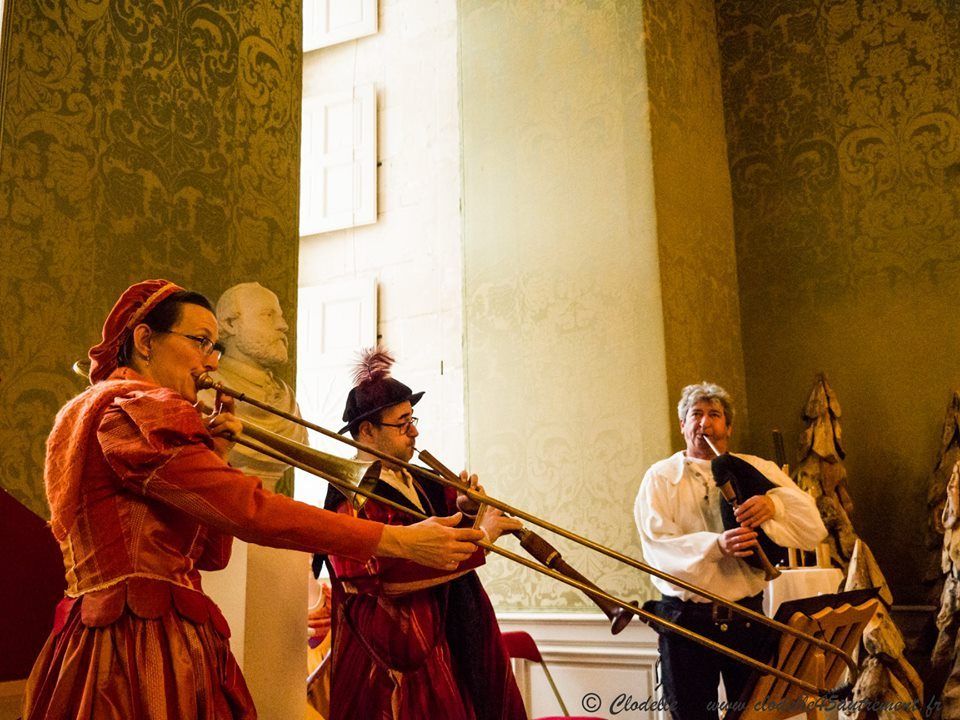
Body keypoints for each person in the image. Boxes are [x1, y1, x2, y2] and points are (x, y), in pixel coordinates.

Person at [22, 279, 483, 720]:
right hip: (138, 641)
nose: (211, 363)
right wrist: (396, 541)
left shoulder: (122, 416)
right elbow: (250, 510)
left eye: (214, 347)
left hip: (146, 629)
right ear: (145, 340)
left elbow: (211, 555)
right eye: (200, 341)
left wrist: (214, 457)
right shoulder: (133, 413)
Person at [322, 348, 528, 720]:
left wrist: (466, 510)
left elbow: (445, 526)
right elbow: (383, 576)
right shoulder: (349, 496)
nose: (414, 430)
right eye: (402, 423)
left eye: (412, 419)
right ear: (367, 431)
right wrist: (482, 537)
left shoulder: (418, 477)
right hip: (398, 654)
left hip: (451, 632)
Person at [634, 382, 827, 720]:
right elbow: (657, 546)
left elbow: (813, 525)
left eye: (714, 415)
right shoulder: (660, 477)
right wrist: (716, 546)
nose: (704, 423)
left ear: (728, 426)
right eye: (695, 415)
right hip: (687, 623)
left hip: (747, 621)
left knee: (754, 717)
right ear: (682, 425)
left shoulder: (756, 467)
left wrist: (773, 505)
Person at [209, 281, 304, 489]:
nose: (283, 325)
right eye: (268, 315)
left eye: (279, 315)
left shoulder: (287, 397)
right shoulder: (206, 391)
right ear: (230, 323)